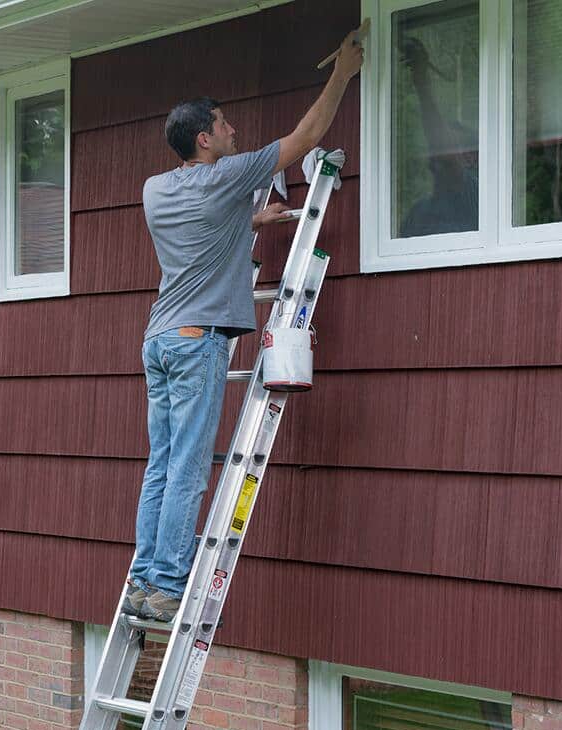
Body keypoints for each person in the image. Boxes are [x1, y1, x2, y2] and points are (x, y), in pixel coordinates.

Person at [123, 28, 366, 623]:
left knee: (161, 463)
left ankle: (142, 579)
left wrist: (255, 219)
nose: (234, 132)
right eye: (225, 125)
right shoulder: (225, 176)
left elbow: (205, 227)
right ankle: (168, 586)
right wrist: (344, 72)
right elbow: (307, 136)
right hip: (198, 339)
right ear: (205, 139)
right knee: (186, 468)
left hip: (159, 338)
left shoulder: (158, 188)